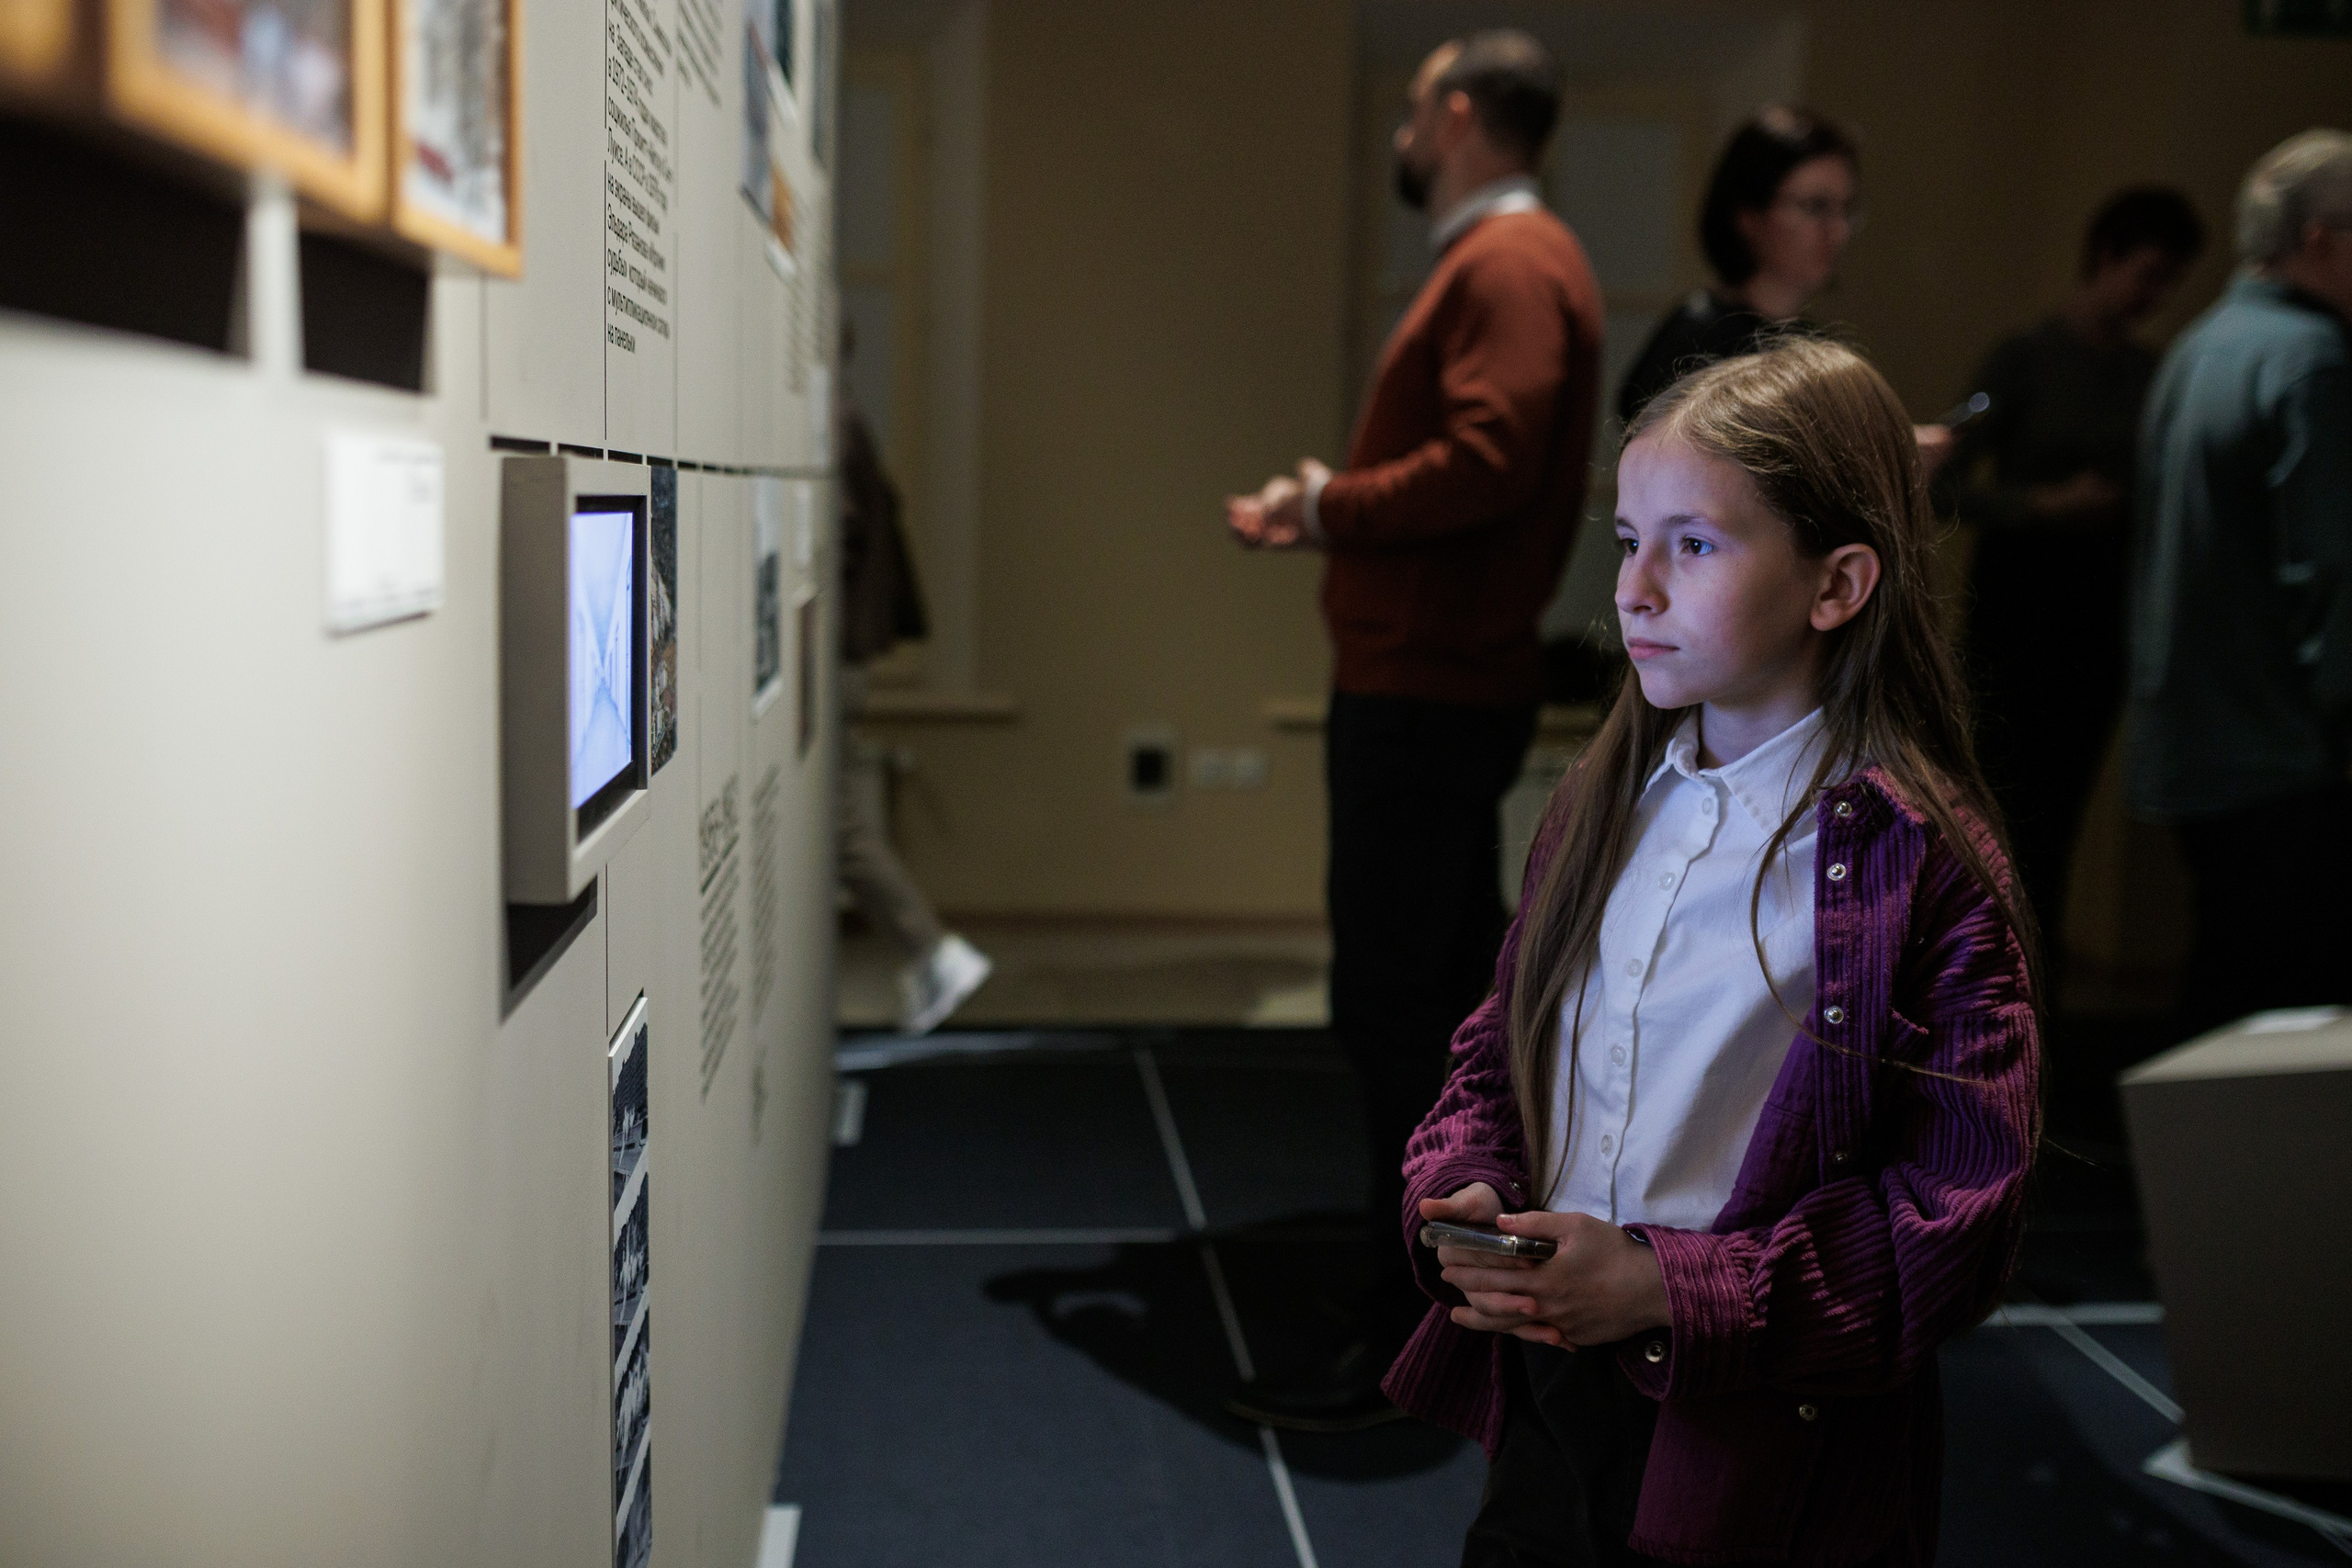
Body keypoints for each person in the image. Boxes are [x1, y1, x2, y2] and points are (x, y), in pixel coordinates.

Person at [1385, 340, 2041, 1566]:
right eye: (1628, 538)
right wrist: (1470, 1177)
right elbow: (1500, 1042)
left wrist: (1662, 1287)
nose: (1633, 589)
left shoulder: (1924, 865)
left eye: (1692, 544)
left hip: (1761, 1441)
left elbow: (1952, 1219)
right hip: (1552, 1386)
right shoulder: (1602, 801)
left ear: (1836, 583)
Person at [1222, 28, 1603, 1430]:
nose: (1400, 134)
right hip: (1441, 679)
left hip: (1427, 687)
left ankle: (1420, 1327)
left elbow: (1489, 459)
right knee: (1434, 1001)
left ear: (1452, 113)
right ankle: (1442, 1304)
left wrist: (1330, 505)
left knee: (1399, 1010)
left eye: (1409, 109)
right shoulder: (1517, 259)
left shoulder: (1507, 262)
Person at [1942, 186, 2204, 981]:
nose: (2154, 297)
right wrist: (2041, 504)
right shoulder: (2023, 358)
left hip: (2098, 615)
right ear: (2104, 257)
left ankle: (2041, 990)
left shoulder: (2148, 373)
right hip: (2020, 609)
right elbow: (1942, 482)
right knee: (2006, 809)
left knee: (2063, 813)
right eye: (2147, 274)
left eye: (2168, 283)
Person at [2130, 130, 2352, 1039]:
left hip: (2191, 737)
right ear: (2320, 239)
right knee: (2280, 1025)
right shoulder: (2313, 359)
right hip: (2281, 749)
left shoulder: (2198, 346)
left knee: (2225, 988)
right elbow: (2330, 571)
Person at [1616, 107, 1955, 473]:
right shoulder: (1696, 335)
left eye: (1845, 209)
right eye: (1816, 207)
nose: (1838, 231)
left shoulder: (1817, 344)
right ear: (1748, 215)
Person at [835, 368, 992, 1035]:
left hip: (831, 655)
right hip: (840, 655)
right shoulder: (845, 418)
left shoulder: (833, 420)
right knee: (841, 823)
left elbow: (842, 534)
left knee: (841, 826)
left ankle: (933, 951)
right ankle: (932, 953)